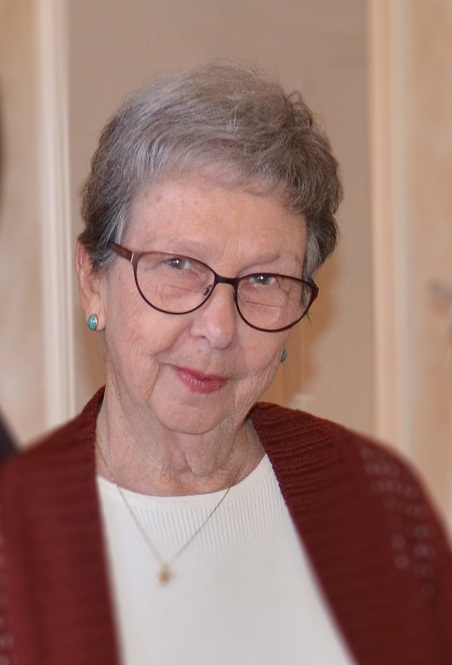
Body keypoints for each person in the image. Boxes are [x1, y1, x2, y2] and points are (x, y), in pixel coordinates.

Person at [0, 60, 451, 665]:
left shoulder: (380, 500)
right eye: (178, 265)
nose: (218, 329)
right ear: (92, 281)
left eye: (264, 279)